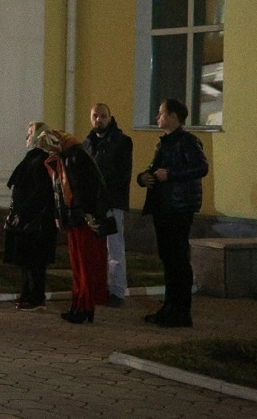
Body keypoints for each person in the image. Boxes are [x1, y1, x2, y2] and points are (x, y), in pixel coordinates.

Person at [138, 98, 208, 328]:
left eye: (161, 113)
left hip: (179, 207)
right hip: (163, 206)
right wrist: (144, 177)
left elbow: (201, 167)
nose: (157, 117)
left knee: (178, 259)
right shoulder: (164, 143)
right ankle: (169, 307)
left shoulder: (187, 141)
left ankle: (181, 311)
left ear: (174, 118)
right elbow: (153, 168)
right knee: (168, 258)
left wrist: (171, 174)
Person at [39, 129, 111, 324]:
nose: (48, 152)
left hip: (83, 218)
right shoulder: (64, 158)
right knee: (78, 265)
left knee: (84, 264)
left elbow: (86, 188)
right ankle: (79, 305)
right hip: (75, 217)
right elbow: (60, 192)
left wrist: (88, 214)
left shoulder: (75, 157)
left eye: (49, 147)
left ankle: (84, 306)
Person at [3, 121, 57, 311]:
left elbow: (41, 192)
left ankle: (36, 297)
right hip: (26, 219)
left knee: (35, 261)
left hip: (37, 221)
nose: (27, 136)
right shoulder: (32, 158)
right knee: (25, 260)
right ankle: (26, 294)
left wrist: (23, 213)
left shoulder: (43, 160)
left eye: (31, 133)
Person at [83, 103, 133, 307]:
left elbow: (121, 176)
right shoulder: (87, 143)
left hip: (112, 203)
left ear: (111, 118)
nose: (99, 120)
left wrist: (105, 199)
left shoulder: (121, 142)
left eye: (103, 116)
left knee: (114, 248)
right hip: (92, 204)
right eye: (95, 116)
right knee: (95, 248)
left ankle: (117, 291)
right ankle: (97, 287)